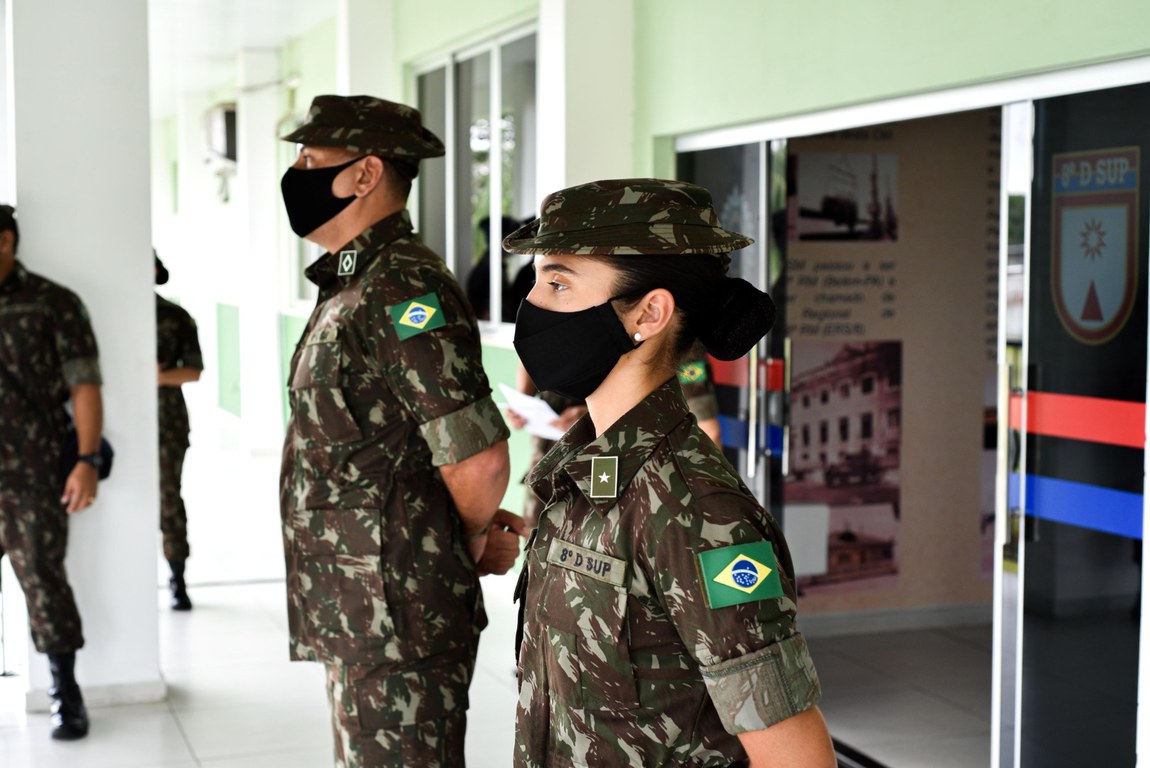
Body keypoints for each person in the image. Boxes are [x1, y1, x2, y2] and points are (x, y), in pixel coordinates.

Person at [506, 179, 835, 767]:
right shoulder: (585, 470)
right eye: (537, 282)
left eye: (557, 283)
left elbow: (795, 756)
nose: (532, 306)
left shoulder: (701, 513)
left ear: (649, 313)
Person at [277, 95, 524, 768]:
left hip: (399, 613)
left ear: (365, 174)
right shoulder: (354, 282)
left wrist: (461, 541)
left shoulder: (402, 287)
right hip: (366, 607)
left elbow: (477, 460)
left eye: (311, 160)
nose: (295, 174)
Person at [0, 204, 102, 741]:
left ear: (5, 243)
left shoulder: (53, 303)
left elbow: (85, 386)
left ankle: (67, 694)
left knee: (43, 580)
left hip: (32, 474)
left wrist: (85, 462)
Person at [154, 253, 203, 611]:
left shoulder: (175, 317)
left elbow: (193, 371)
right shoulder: (108, 313)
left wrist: (155, 377)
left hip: (165, 422)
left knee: (168, 500)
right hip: (118, 421)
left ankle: (177, 578)